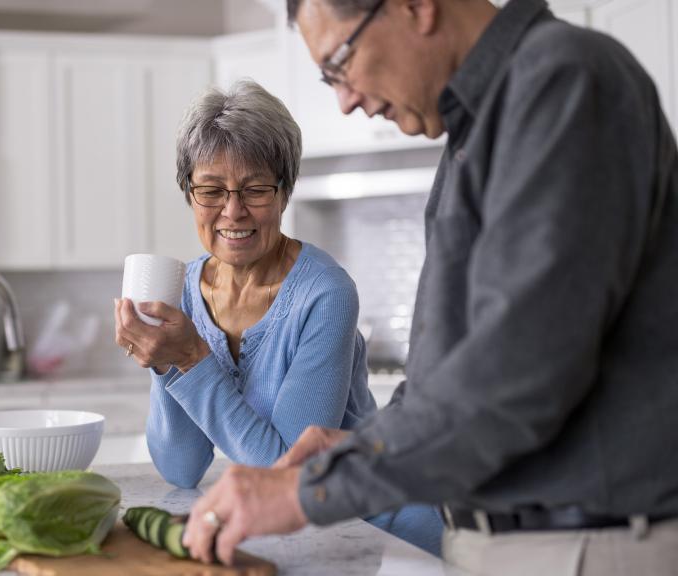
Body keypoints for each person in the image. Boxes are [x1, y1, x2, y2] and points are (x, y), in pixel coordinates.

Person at [180, 0, 678, 573]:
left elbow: (517, 373)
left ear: (414, 7)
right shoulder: (481, 126)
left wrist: (308, 490)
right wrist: (362, 449)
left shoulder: (563, 82)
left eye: (341, 63)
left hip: (582, 547)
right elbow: (450, 375)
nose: (346, 100)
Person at [112, 79, 442, 554]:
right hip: (296, 536)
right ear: (189, 194)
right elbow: (180, 469)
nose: (233, 211)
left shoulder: (323, 292)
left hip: (382, 529)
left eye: (255, 189)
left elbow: (291, 472)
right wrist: (163, 360)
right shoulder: (182, 288)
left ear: (285, 192)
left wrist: (189, 358)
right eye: (211, 190)